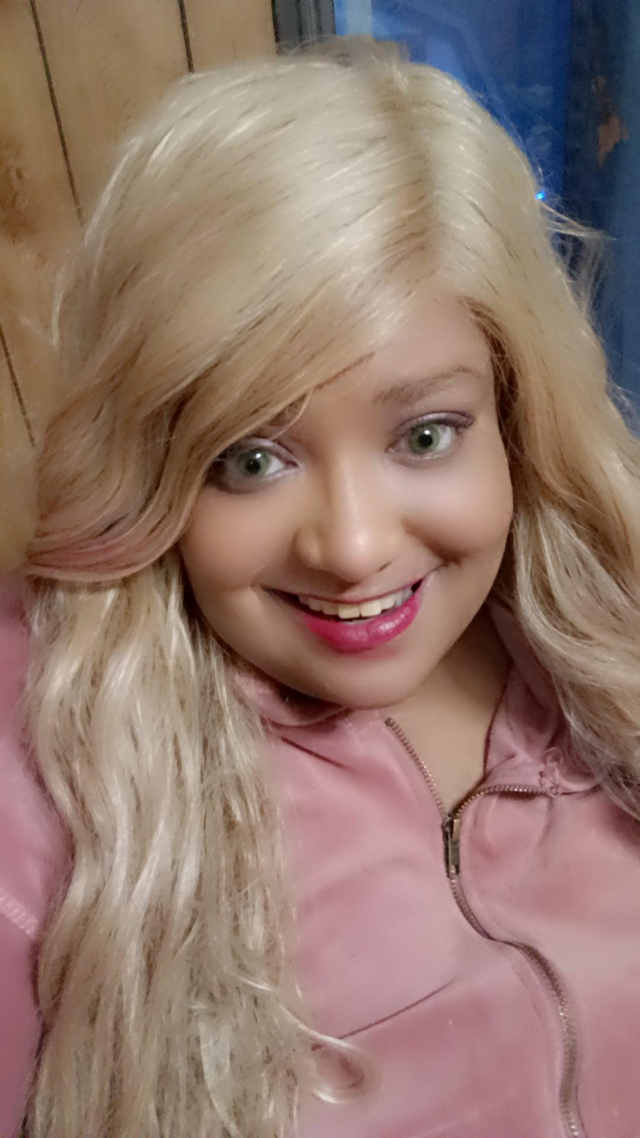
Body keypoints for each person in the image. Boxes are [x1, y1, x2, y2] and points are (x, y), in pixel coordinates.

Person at [1, 36, 639, 1138]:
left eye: (425, 435)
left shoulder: (610, 619)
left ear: (516, 414)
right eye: (250, 458)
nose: (350, 546)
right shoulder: (41, 752)